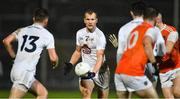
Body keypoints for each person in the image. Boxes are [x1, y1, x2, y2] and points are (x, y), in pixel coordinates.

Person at [3, 8, 59, 99]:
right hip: (25, 72)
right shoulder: (47, 35)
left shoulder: (22, 30)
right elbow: (53, 58)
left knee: (43, 93)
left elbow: (6, 41)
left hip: (16, 70)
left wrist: (13, 57)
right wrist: (56, 62)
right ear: (46, 20)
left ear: (33, 19)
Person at [114, 7, 160, 98]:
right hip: (141, 63)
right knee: (152, 94)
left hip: (124, 66)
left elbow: (121, 51)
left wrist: (120, 68)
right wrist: (155, 65)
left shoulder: (124, 28)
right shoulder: (150, 28)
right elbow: (150, 47)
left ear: (131, 13)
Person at [64, 9, 110, 99]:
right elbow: (77, 51)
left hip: (101, 70)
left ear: (96, 20)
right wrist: (70, 63)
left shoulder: (100, 36)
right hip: (86, 69)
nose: (90, 22)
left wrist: (94, 72)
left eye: (92, 19)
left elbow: (100, 56)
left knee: (102, 97)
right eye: (88, 19)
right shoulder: (80, 33)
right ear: (84, 20)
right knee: (86, 93)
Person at [155, 12, 180, 98]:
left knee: (177, 93)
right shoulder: (151, 34)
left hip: (176, 67)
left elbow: (168, 50)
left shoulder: (170, 30)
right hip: (163, 71)